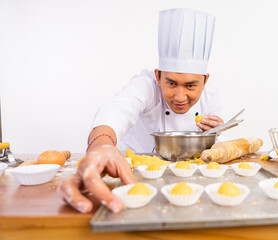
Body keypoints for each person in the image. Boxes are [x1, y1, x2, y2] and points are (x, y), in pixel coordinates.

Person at [57, 8, 224, 213]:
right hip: (132, 177)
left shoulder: (211, 97)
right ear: (157, 75)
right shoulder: (145, 86)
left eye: (191, 86)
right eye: (171, 83)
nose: (180, 97)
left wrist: (215, 135)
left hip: (190, 185)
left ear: (205, 80)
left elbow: (212, 153)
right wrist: (101, 145)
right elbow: (118, 109)